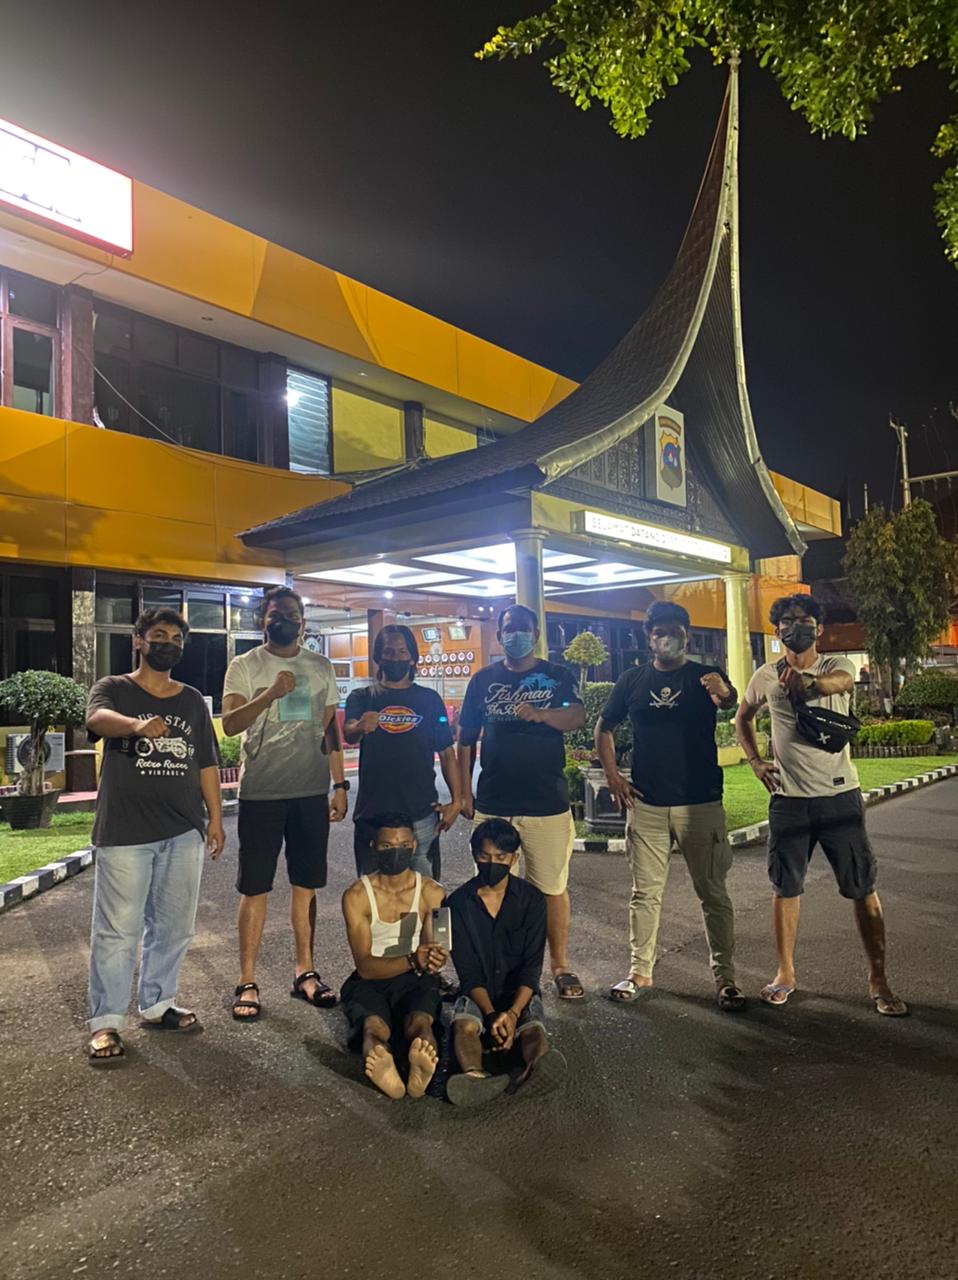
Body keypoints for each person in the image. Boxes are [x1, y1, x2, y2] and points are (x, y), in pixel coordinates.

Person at [735, 593, 907, 1015]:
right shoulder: (765, 675)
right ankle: (785, 974)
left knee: (862, 887)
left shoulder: (835, 665)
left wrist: (810, 684)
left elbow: (840, 683)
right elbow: (743, 717)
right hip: (788, 801)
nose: (795, 626)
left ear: (819, 628)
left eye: (804, 620)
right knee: (785, 888)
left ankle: (879, 979)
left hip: (839, 798)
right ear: (777, 630)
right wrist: (755, 761)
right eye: (787, 621)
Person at [85, 607, 225, 1065]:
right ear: (139, 641)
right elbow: (97, 719)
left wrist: (215, 819)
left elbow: (206, 763)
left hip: (182, 830)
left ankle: (158, 1003)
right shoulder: (114, 688)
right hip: (125, 830)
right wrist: (136, 725)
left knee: (174, 926)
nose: (168, 644)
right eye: (159, 635)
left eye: (177, 639)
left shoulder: (192, 700)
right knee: (117, 930)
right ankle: (106, 1021)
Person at [595, 600, 744, 1011]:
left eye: (674, 632)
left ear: (687, 636)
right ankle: (639, 972)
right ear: (649, 638)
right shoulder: (632, 680)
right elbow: (605, 726)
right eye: (659, 632)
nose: (667, 638)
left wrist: (724, 692)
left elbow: (728, 700)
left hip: (701, 804)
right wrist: (612, 776)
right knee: (644, 895)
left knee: (713, 893)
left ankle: (726, 978)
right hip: (647, 805)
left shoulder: (704, 677)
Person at [222, 586, 347, 1020]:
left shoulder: (320, 665)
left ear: (303, 622)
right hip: (261, 792)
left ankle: (305, 971)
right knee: (254, 886)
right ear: (263, 619)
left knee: (306, 884)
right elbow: (230, 724)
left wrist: (340, 784)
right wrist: (270, 694)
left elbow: (329, 729)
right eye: (276, 613)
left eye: (292, 614)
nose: (285, 620)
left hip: (310, 792)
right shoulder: (244, 665)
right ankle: (247, 979)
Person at [457, 604, 586, 1000]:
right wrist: (464, 792)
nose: (516, 635)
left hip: (546, 803)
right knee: (491, 887)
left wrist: (542, 714)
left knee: (551, 888)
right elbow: (466, 738)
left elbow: (577, 716)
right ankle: (498, 967)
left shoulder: (557, 675)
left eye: (524, 629)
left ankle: (560, 965)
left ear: (536, 634)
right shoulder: (483, 680)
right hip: (494, 802)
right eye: (510, 629)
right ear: (499, 635)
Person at [447, 818, 567, 1107]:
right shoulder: (457, 903)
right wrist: (490, 1014)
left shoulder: (532, 900)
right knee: (464, 1025)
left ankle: (535, 1070)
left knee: (532, 1028)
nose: (493, 864)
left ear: (514, 857)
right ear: (474, 854)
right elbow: (468, 971)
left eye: (501, 857)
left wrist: (512, 1014)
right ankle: (474, 1077)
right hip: (478, 992)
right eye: (485, 856)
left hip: (518, 992)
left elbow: (531, 967)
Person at [340, 814, 446, 1099]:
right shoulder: (357, 895)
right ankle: (383, 1065)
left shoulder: (434, 893)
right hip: (372, 978)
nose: (396, 852)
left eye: (403, 845)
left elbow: (438, 950)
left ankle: (419, 1065)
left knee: (420, 1021)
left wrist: (436, 957)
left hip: (416, 977)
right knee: (373, 1026)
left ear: (413, 846)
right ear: (374, 846)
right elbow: (365, 966)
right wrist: (414, 959)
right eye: (387, 846)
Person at [344, 624, 461, 879]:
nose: (395, 658)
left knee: (426, 891)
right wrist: (361, 726)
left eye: (402, 652)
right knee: (371, 891)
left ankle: (422, 913)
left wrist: (457, 800)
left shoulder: (429, 700)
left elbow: (447, 753)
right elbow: (348, 733)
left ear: (412, 658)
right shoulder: (361, 697)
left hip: (421, 813)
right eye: (388, 652)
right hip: (372, 814)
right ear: (378, 657)